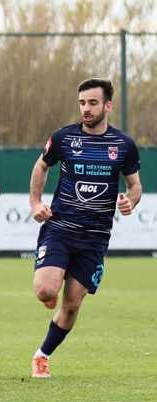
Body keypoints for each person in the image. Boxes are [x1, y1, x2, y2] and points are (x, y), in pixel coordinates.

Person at [29, 78, 141, 378]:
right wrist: (36, 202)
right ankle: (52, 281)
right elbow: (41, 166)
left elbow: (134, 186)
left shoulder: (124, 145)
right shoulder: (64, 138)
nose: (86, 109)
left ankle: (42, 354)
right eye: (82, 103)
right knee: (44, 291)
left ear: (108, 105)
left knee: (72, 305)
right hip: (60, 228)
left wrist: (131, 201)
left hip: (94, 239)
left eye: (92, 103)